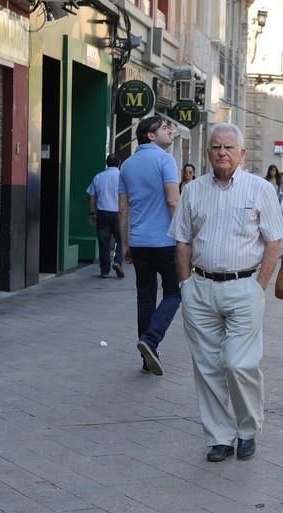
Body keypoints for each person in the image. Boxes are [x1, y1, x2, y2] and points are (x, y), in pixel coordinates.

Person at [169, 123, 283, 463]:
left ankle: (247, 430)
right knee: (207, 367)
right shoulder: (193, 191)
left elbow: (274, 241)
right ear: (208, 153)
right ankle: (219, 437)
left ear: (241, 154)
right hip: (201, 288)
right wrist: (185, 286)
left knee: (239, 364)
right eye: (216, 147)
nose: (222, 152)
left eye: (228, 148)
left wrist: (259, 286)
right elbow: (182, 240)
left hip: (244, 288)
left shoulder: (259, 188)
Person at [118, 116, 181, 376]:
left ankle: (147, 358)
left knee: (145, 297)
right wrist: (182, 238)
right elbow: (173, 201)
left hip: (139, 242)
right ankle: (152, 340)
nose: (170, 131)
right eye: (165, 128)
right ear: (151, 135)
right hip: (165, 241)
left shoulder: (127, 165)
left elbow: (123, 208)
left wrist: (125, 245)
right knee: (174, 293)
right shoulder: (165, 160)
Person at [87, 154, 124, 279]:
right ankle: (118, 261)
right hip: (118, 213)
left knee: (104, 242)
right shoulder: (122, 177)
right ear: (119, 163)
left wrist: (92, 213)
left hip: (102, 212)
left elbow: (91, 196)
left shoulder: (98, 177)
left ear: (106, 163)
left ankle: (105, 271)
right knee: (121, 239)